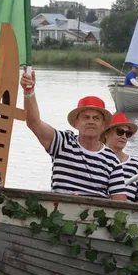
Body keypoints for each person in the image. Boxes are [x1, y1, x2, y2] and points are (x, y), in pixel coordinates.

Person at [19, 69, 127, 200]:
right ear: (76, 123)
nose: (91, 122)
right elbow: (34, 122)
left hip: (96, 216)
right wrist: (29, 92)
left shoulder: (112, 160)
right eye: (86, 117)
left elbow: (120, 201)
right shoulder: (62, 143)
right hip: (58, 211)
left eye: (96, 118)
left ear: (104, 125)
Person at [102, 113, 138, 204]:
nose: (124, 137)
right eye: (120, 132)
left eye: (128, 134)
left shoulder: (135, 166)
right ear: (106, 133)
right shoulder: (97, 160)